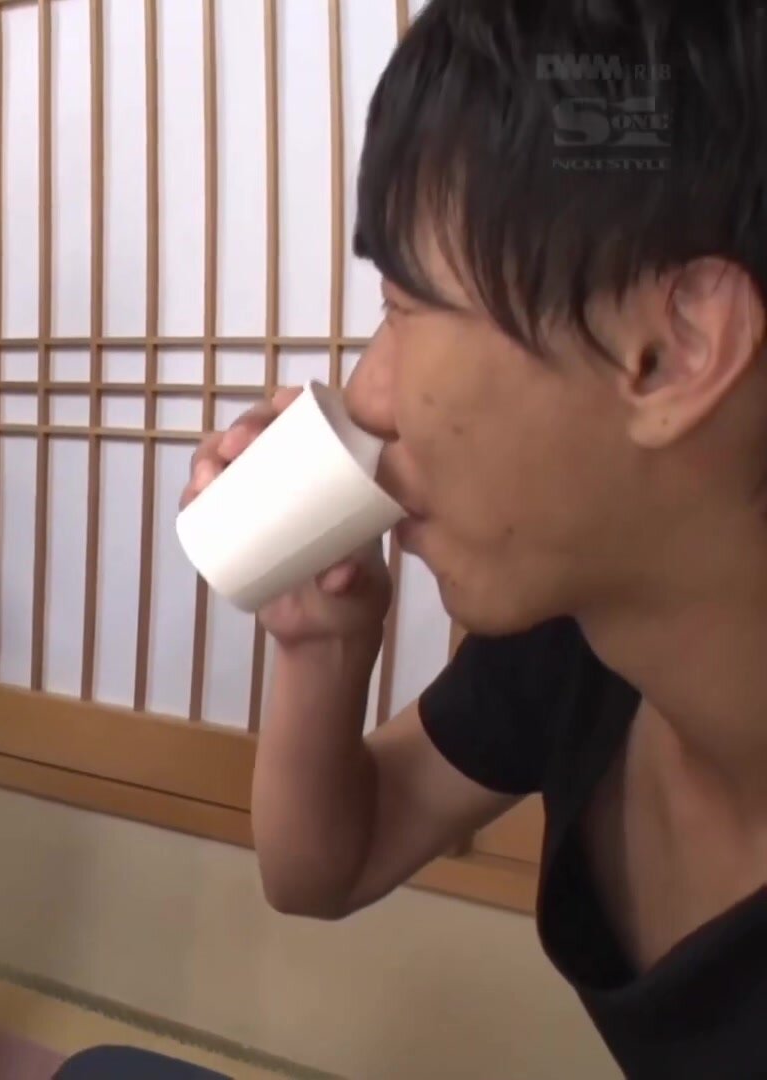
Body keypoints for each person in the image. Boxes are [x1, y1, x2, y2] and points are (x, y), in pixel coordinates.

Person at [172, 2, 766, 1076]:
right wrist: (322, 645)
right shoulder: (588, 636)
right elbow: (324, 870)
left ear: (674, 349)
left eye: (405, 306)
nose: (366, 393)